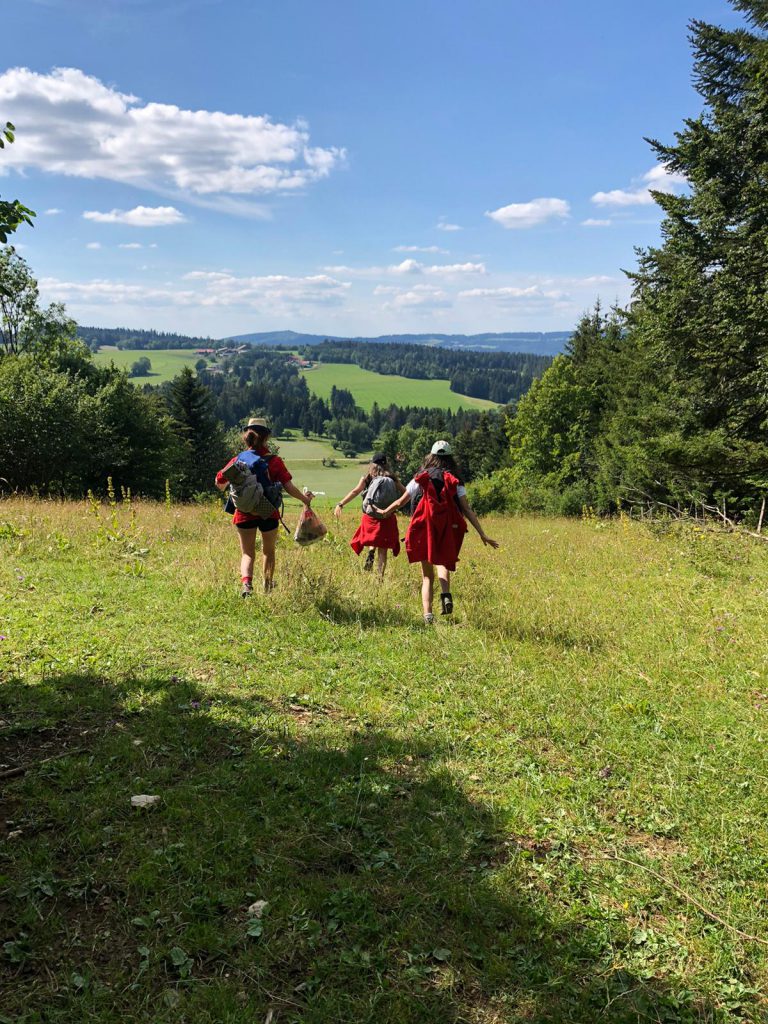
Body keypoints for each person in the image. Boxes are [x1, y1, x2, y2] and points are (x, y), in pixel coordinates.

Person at [376, 440, 498, 623]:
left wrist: (385, 512)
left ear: (431, 456)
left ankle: (428, 615)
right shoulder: (455, 479)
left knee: (426, 576)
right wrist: (482, 534)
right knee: (442, 562)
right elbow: (466, 508)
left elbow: (402, 501)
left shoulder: (421, 476)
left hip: (425, 526)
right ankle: (446, 593)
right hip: (447, 527)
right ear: (450, 458)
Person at [215, 417, 313, 597]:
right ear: (266, 437)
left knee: (247, 553)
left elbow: (219, 481)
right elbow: (288, 486)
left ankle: (246, 585)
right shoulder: (274, 461)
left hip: (244, 512)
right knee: (268, 551)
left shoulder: (238, 459)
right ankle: (268, 587)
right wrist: (304, 500)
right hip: (268, 513)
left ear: (247, 436)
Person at [333, 453, 404, 576]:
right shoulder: (392, 478)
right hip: (387, 516)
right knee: (383, 549)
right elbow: (406, 493)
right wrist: (396, 505)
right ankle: (380, 577)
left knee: (373, 538)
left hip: (370, 517)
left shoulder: (367, 478)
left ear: (373, 464)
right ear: (386, 464)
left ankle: (371, 550)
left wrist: (341, 503)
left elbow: (355, 491)